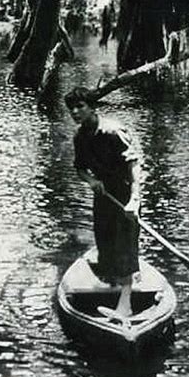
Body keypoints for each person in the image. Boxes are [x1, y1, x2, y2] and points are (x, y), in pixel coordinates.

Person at [65, 86, 141, 318]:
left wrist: (135, 201)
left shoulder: (112, 131)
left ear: (92, 107)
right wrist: (91, 181)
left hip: (125, 194)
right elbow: (79, 168)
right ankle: (114, 288)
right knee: (105, 242)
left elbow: (135, 165)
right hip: (103, 195)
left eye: (81, 106)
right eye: (72, 108)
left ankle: (125, 307)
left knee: (124, 245)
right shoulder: (80, 137)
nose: (76, 112)